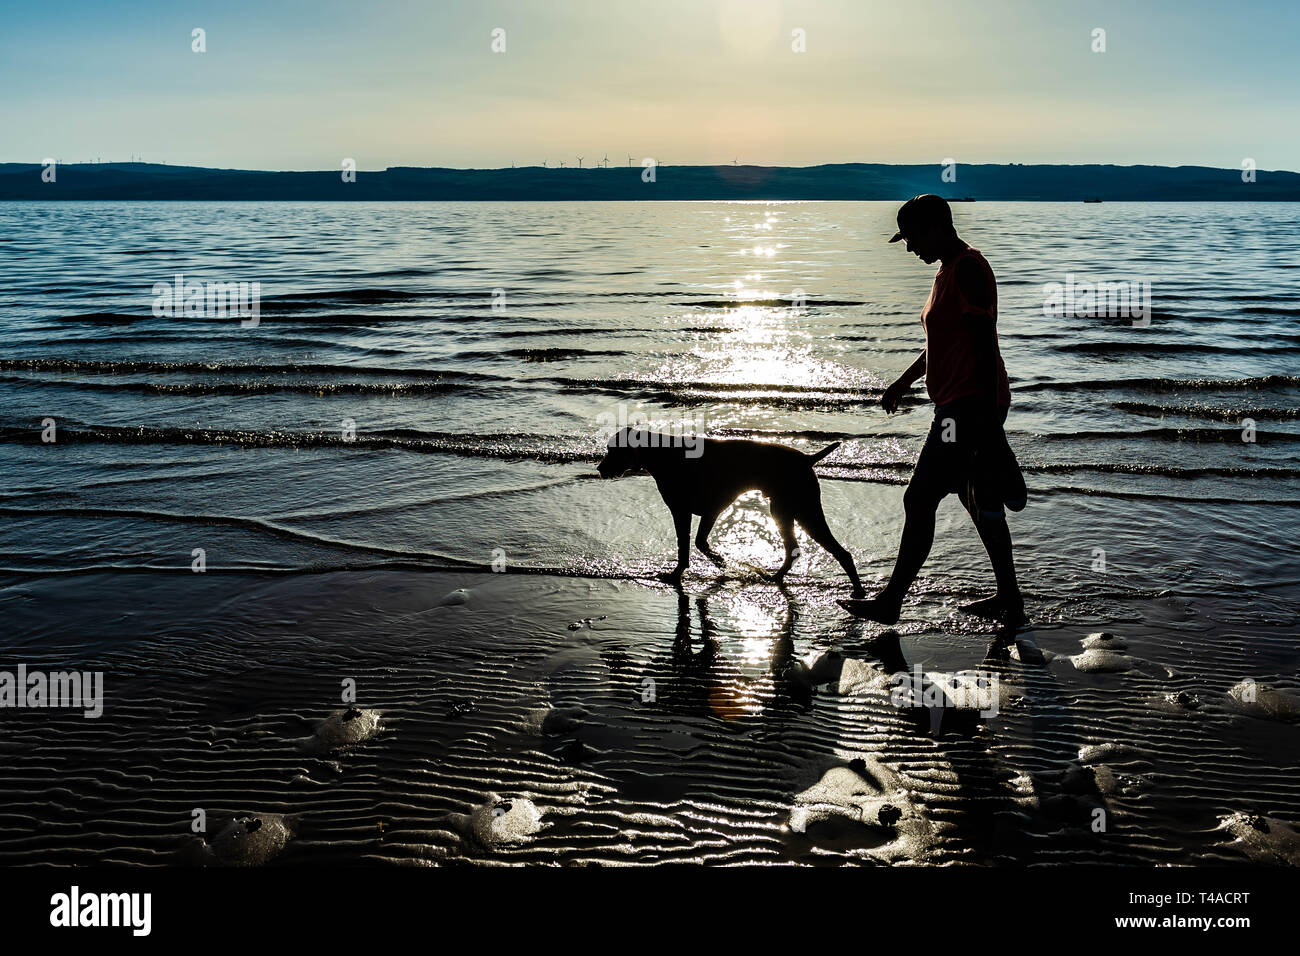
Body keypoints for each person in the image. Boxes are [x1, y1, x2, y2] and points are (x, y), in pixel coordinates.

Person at [840, 194, 1026, 626]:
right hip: (957, 404)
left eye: (911, 237)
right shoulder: (947, 272)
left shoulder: (969, 269)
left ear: (936, 227)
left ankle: (891, 601)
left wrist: (986, 425)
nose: (909, 248)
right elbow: (943, 343)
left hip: (968, 407)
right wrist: (904, 381)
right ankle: (1009, 598)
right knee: (975, 501)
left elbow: (982, 345)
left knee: (919, 497)